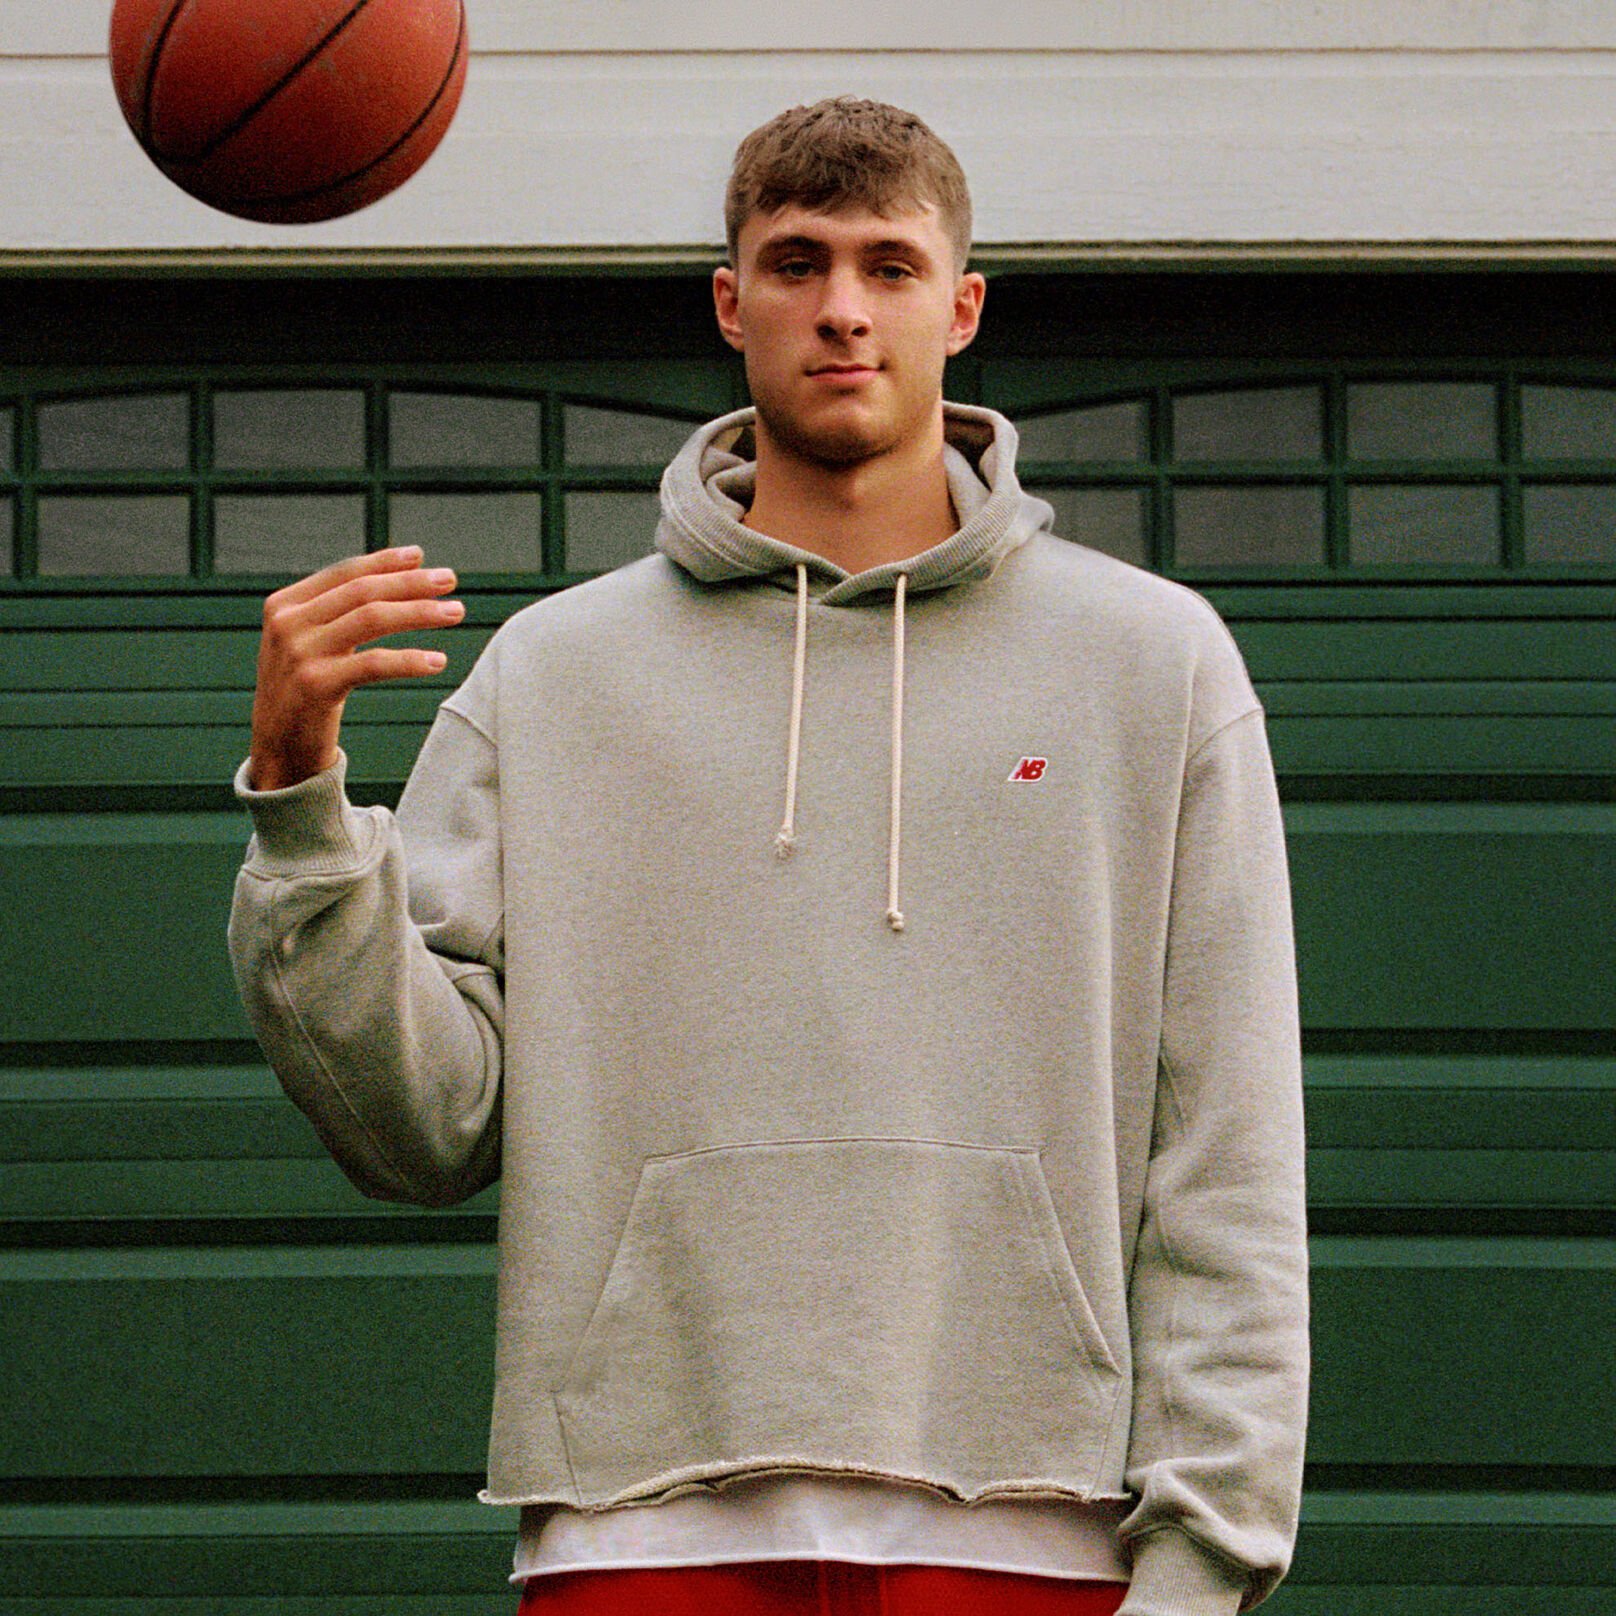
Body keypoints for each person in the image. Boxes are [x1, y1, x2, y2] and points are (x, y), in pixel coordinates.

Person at [229, 97, 1309, 1616]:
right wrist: (299, 796)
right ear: (733, 304)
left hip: (1031, 1525)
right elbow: (423, 1124)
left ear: (964, 307)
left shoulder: (1154, 666)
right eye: (797, 263)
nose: (846, 310)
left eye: (890, 265)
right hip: (639, 1525)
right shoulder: (555, 676)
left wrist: (1208, 1555)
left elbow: (1231, 1152)